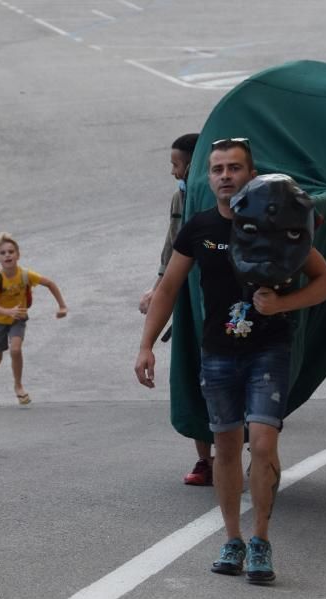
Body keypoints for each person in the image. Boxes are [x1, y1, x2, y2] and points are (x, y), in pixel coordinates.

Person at [135, 139, 326, 584]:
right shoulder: (199, 227)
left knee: (263, 444)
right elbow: (168, 288)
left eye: (234, 168)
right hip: (218, 353)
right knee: (226, 447)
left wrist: (283, 305)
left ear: (251, 174)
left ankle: (261, 541)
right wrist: (146, 344)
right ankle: (232, 539)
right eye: (217, 169)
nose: (225, 176)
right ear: (208, 178)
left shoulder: (278, 222)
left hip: (269, 349)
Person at [138, 133, 215, 486]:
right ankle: (205, 460)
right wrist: (157, 290)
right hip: (185, 296)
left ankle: (248, 452)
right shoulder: (179, 197)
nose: (173, 172)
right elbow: (171, 249)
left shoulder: (219, 201)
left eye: (177, 164)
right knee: (192, 374)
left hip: (219, 301)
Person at [0, 232, 68, 408]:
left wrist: (62, 306)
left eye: (11, 251)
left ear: (18, 255)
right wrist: (8, 311)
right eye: (3, 253)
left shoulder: (25, 275)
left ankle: (18, 385)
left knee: (15, 349)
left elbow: (50, 283)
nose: (7, 255)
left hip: (18, 319)